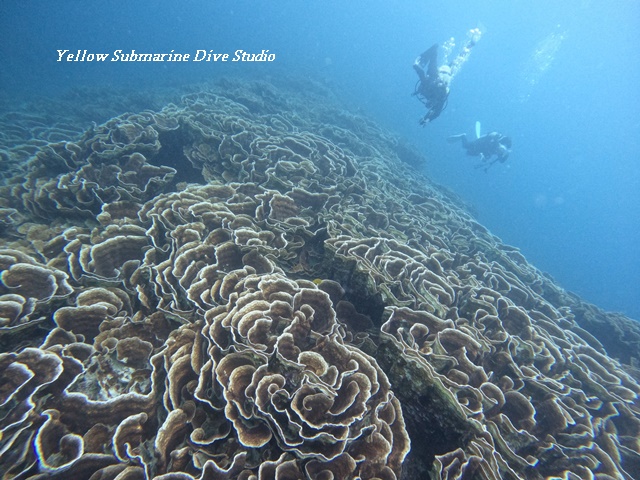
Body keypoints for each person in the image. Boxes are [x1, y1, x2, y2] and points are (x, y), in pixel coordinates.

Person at [412, 28, 482, 125]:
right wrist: (426, 120)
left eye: (430, 103)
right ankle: (471, 44)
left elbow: (421, 74)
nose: (430, 102)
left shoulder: (434, 91)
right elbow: (436, 113)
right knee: (455, 60)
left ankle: (471, 43)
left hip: (437, 75)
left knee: (454, 60)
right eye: (431, 104)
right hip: (439, 75)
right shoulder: (440, 97)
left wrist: (417, 65)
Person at [447, 131, 512, 171]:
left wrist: (505, 155)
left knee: (469, 152)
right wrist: (481, 154)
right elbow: (487, 140)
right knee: (466, 146)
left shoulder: (499, 150)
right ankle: (463, 136)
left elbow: (501, 160)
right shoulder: (495, 141)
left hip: (482, 149)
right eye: (500, 150)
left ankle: (463, 137)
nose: (499, 152)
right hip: (479, 144)